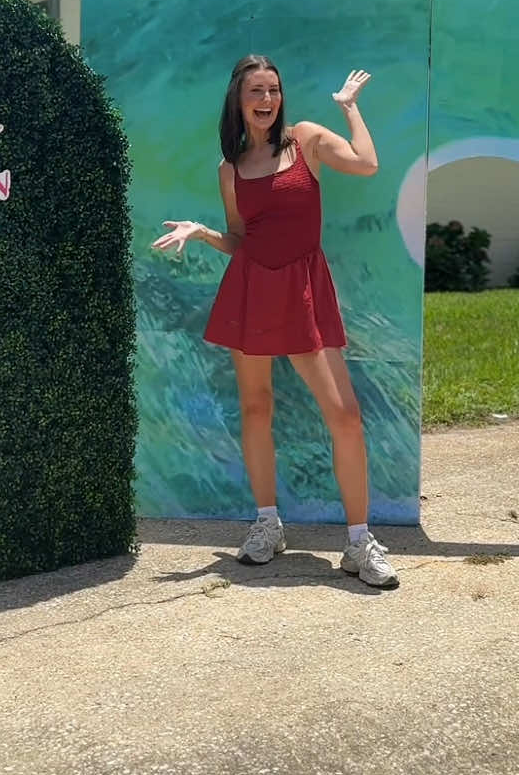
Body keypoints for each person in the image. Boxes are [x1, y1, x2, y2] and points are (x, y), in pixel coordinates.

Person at [152, 56, 399, 590]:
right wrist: (201, 232)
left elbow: (366, 163)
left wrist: (350, 109)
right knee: (256, 407)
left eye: (273, 90)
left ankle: (359, 542)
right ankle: (268, 524)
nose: (265, 100)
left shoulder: (306, 139)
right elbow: (241, 240)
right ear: (238, 102)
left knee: (345, 413)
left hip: (305, 289)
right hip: (251, 289)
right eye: (254, 92)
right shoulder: (230, 169)